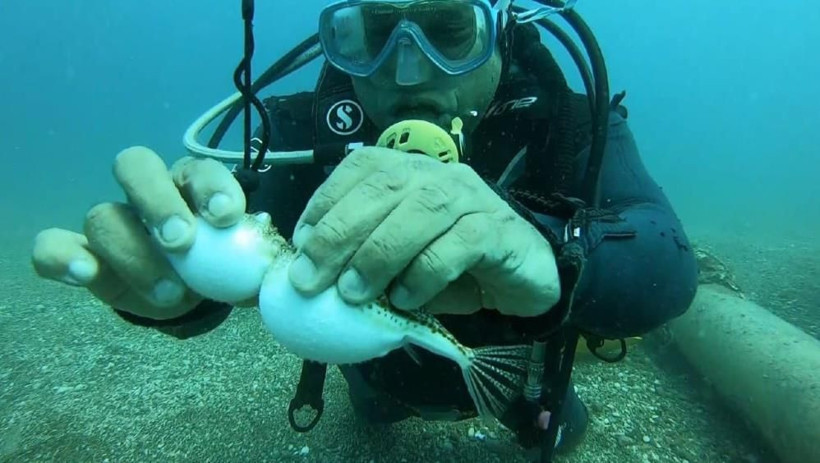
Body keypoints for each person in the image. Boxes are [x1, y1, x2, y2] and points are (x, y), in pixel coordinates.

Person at [31, 0, 698, 458]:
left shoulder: (567, 120)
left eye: (448, 28)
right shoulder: (302, 132)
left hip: (527, 385)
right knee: (377, 411)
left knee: (558, 429)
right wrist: (171, 276)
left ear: (498, 26)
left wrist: (547, 249)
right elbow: (234, 261)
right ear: (341, 39)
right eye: (376, 34)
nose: (409, 70)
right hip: (376, 380)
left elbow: (665, 265)